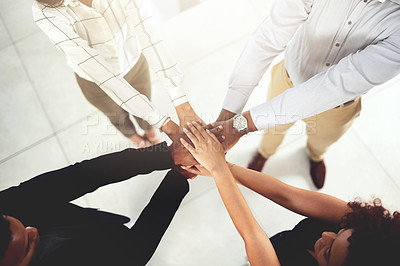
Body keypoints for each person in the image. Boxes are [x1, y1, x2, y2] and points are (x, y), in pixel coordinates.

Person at [211, 0, 400, 188]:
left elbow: (334, 87)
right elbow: (268, 38)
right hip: (287, 80)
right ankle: (264, 153)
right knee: (272, 129)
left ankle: (315, 156)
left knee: (323, 140)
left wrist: (239, 126)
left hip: (338, 106)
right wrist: (229, 115)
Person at [180, 122, 400, 265]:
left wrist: (218, 168)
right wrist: (225, 167)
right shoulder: (364, 229)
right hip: (284, 243)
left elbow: (252, 235)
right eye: (340, 232)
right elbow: (287, 195)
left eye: (328, 252)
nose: (325, 235)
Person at [32, 0, 202, 147]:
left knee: (145, 102)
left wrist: (182, 105)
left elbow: (147, 32)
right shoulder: (45, 14)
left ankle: (151, 135)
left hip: (133, 61)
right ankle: (139, 141)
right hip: (95, 82)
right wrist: (167, 125)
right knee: (117, 116)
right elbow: (99, 71)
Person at [0, 141, 194, 266]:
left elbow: (83, 176)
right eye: (28, 245)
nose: (33, 230)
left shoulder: (5, 205)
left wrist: (167, 154)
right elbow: (134, 253)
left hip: (98, 227)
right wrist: (178, 179)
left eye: (8, 217)